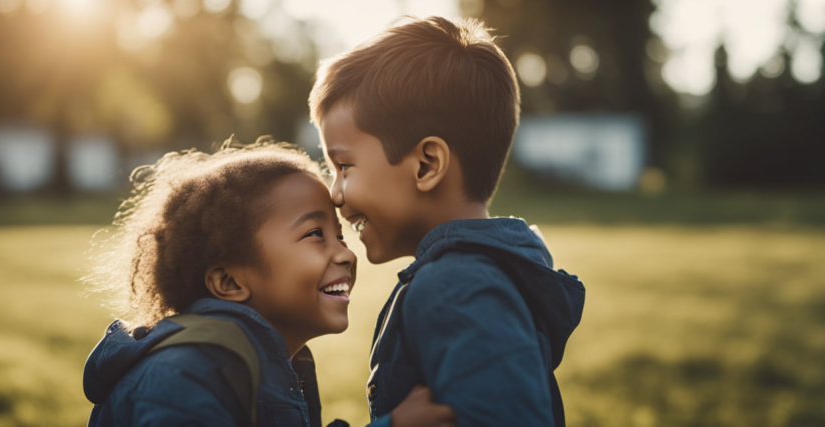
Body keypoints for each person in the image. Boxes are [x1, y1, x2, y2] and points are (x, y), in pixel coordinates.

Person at [309, 17, 587, 426]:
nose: (334, 194)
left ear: (426, 165)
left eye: (344, 166)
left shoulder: (456, 286)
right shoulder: (476, 274)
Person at [82, 140, 454, 427]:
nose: (345, 254)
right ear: (228, 281)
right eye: (314, 234)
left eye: (340, 235)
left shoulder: (269, 362)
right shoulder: (184, 376)